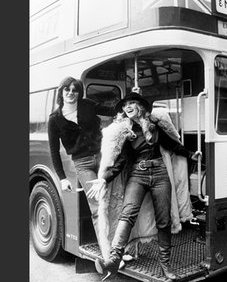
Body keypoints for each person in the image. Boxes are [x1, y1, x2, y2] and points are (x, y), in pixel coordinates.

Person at [87, 91, 199, 281]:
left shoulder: (154, 126)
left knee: (163, 220)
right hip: (137, 175)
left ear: (140, 106)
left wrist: (190, 154)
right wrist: (104, 178)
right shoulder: (125, 132)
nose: (127, 107)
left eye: (131, 103)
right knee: (128, 213)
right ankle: (114, 260)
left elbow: (171, 144)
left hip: (160, 174)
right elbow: (120, 161)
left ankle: (165, 266)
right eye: (125, 105)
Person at [47, 76, 115, 243]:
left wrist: (132, 98)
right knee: (97, 206)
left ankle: (119, 246)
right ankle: (108, 253)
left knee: (113, 201)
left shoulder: (88, 105)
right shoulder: (54, 119)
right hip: (83, 164)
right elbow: (54, 151)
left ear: (79, 93)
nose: (71, 93)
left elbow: (112, 110)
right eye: (67, 89)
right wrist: (62, 178)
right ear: (61, 92)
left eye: (75, 90)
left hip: (103, 157)